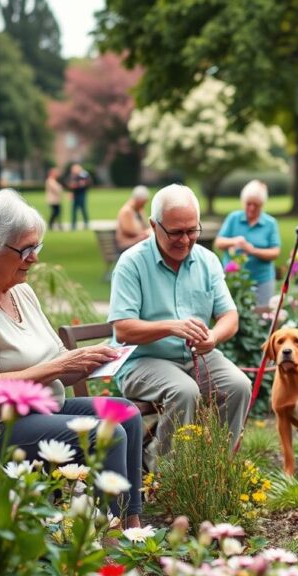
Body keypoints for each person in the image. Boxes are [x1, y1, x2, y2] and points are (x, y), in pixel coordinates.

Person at [0, 188, 144, 527]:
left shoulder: (20, 291)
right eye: (26, 249)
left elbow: (57, 360)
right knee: (106, 433)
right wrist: (61, 365)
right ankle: (113, 539)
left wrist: (89, 360)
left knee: (126, 413)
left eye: (37, 247)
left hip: (33, 411)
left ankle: (132, 527)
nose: (34, 259)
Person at [109, 184, 252, 459]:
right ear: (154, 225)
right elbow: (123, 329)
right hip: (141, 361)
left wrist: (214, 337)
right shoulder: (132, 263)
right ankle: (165, 475)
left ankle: (215, 467)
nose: (185, 240)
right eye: (175, 232)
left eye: (192, 231)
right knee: (184, 391)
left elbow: (229, 317)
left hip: (194, 359)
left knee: (238, 386)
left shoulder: (207, 260)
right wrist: (171, 326)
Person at [213, 180, 281, 306]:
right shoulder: (234, 218)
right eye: (248, 204)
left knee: (262, 316)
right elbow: (219, 243)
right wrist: (234, 241)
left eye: (256, 205)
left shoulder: (270, 223)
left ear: (262, 205)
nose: (251, 208)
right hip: (234, 280)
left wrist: (253, 250)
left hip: (262, 280)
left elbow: (275, 252)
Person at [115, 185, 152, 253]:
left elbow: (146, 225)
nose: (145, 204)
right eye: (144, 201)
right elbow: (129, 231)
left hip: (137, 241)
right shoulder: (126, 211)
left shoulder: (139, 210)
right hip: (127, 244)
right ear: (139, 200)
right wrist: (146, 233)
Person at [68, 163, 92, 230]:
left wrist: (76, 185)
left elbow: (85, 184)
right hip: (75, 194)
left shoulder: (83, 174)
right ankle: (73, 225)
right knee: (74, 210)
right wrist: (71, 191)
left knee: (83, 208)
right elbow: (70, 184)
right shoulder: (73, 176)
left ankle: (86, 223)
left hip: (81, 194)